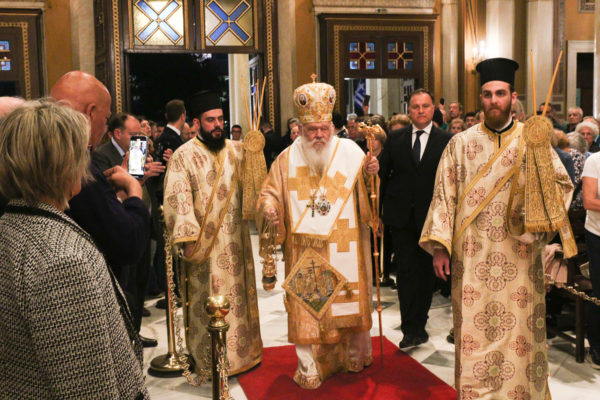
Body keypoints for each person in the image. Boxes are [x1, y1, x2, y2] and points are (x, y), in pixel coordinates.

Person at [419, 58, 573, 399]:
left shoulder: (533, 142)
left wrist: (537, 210)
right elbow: (444, 195)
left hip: (520, 255)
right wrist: (441, 247)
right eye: (487, 94)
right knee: (474, 332)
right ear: (481, 98)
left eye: (500, 94)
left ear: (513, 97)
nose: (494, 101)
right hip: (472, 256)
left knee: (520, 333)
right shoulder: (460, 144)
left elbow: (561, 186)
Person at [0, 100, 149, 399]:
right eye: (82, 153)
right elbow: (88, 387)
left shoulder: (12, 223)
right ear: (63, 165)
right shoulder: (64, 262)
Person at [257, 78, 379, 389]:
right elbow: (269, 192)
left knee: (347, 304)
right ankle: (309, 366)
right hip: (305, 249)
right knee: (308, 310)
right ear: (300, 128)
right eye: (312, 130)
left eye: (324, 128)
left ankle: (353, 355)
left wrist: (370, 176)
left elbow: (368, 198)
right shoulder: (286, 160)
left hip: (345, 243)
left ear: (332, 126)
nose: (319, 135)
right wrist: (270, 207)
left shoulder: (350, 152)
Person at [50, 71, 154, 347]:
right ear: (90, 112)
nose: (104, 127)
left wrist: (115, 192)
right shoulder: (76, 163)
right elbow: (127, 242)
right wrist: (133, 189)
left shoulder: (48, 156)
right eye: (106, 119)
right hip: (88, 302)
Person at [163, 90, 263, 376]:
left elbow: (255, 189)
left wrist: (257, 159)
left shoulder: (239, 151)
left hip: (237, 243)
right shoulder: (183, 156)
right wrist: (188, 237)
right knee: (208, 302)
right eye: (210, 120)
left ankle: (245, 353)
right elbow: (178, 197)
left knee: (240, 300)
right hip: (205, 249)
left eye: (220, 119)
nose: (218, 125)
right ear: (196, 123)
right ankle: (210, 360)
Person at [379, 88, 452, 348]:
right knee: (406, 273)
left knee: (426, 275)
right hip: (401, 217)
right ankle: (410, 328)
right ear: (409, 110)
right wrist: (378, 213)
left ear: (433, 110)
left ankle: (419, 322)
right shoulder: (395, 138)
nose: (420, 111)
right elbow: (382, 176)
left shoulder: (447, 140)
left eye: (425, 106)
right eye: (415, 106)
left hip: (432, 218)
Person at [581, 152, 600, 369]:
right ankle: (596, 345)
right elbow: (589, 201)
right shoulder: (594, 161)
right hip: (598, 234)